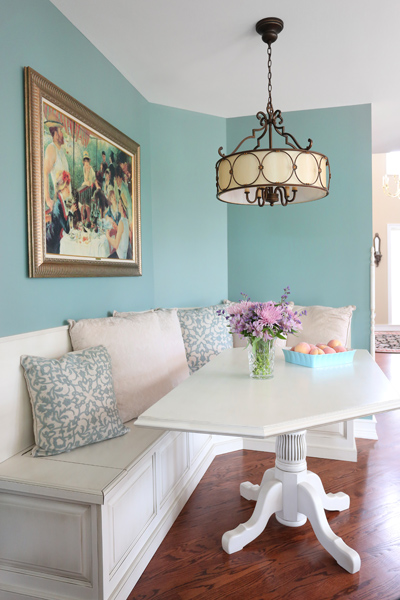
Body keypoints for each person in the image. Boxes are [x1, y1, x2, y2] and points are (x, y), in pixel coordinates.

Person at [46, 170, 77, 254]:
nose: (69, 190)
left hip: (55, 239)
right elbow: (67, 229)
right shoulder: (58, 205)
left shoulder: (61, 201)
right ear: (63, 188)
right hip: (52, 242)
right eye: (67, 187)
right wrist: (71, 212)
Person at [43, 121, 69, 212]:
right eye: (60, 131)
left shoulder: (61, 150)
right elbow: (45, 172)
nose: (62, 134)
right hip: (60, 202)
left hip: (67, 200)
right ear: (56, 134)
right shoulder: (51, 148)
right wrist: (47, 199)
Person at [106, 194, 129, 259]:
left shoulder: (121, 222)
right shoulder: (126, 220)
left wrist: (108, 237)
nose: (118, 205)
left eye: (119, 203)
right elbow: (122, 232)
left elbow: (116, 245)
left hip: (120, 256)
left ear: (122, 207)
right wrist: (117, 228)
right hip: (123, 255)